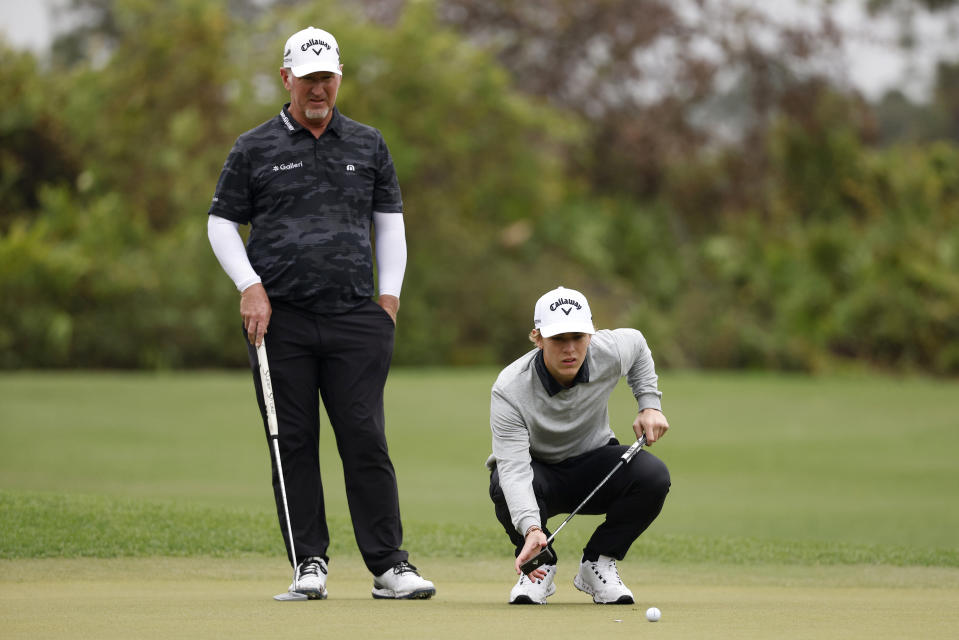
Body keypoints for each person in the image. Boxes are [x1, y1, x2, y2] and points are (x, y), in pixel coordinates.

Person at [207, 26, 435, 601]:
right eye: (307, 78)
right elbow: (220, 223)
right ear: (286, 78)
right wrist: (249, 285)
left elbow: (391, 224)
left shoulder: (368, 144)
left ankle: (389, 566)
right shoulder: (253, 147)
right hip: (277, 320)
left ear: (338, 78)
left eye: (327, 77)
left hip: (356, 316)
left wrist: (390, 298)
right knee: (294, 441)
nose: (318, 88)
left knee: (364, 437)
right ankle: (309, 563)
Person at [486, 286, 671, 605]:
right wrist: (531, 529)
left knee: (652, 475)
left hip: (595, 466)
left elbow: (638, 345)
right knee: (502, 482)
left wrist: (649, 404)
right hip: (538, 475)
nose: (570, 348)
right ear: (538, 337)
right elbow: (514, 470)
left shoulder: (608, 350)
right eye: (558, 339)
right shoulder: (510, 388)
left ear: (591, 334)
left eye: (578, 336)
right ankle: (539, 569)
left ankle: (597, 564)